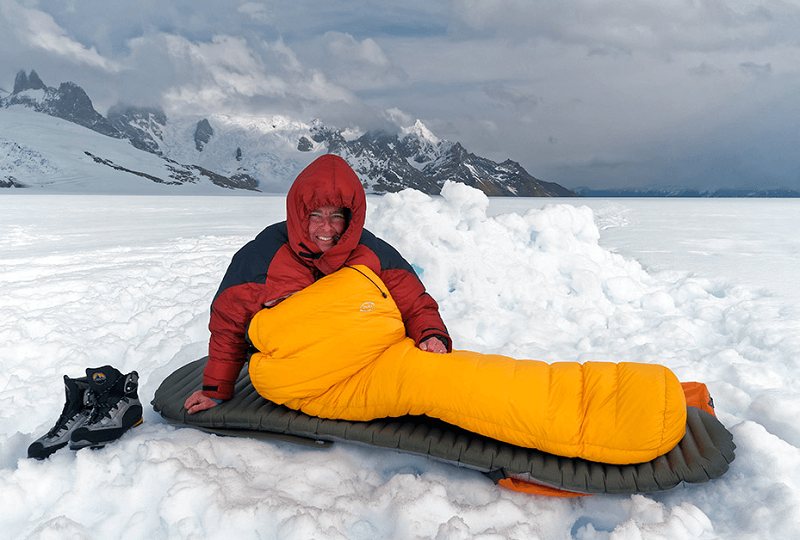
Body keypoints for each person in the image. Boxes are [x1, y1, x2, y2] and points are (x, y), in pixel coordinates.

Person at [184, 154, 450, 414]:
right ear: (299, 213)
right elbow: (228, 324)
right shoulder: (262, 257)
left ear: (351, 216)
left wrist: (431, 335)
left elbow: (414, 302)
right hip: (298, 369)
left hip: (364, 359)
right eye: (315, 215)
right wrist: (216, 389)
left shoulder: (371, 252)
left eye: (336, 215)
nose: (327, 228)